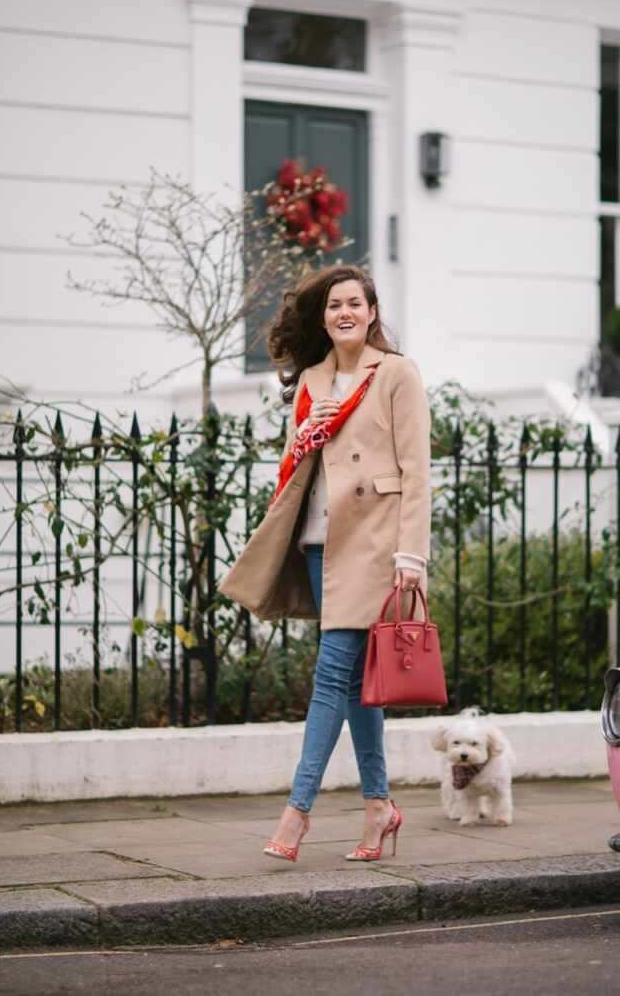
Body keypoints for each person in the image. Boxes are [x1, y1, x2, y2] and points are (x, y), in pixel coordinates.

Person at [221, 265, 431, 862]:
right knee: (359, 690)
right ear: (324, 317)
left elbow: (416, 470)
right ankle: (379, 809)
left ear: (371, 312)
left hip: (374, 545)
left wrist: (410, 555)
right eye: (334, 305)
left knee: (331, 674)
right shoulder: (311, 380)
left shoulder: (396, 374)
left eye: (354, 304)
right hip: (319, 544)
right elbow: (298, 471)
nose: (344, 313)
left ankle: (298, 811)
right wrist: (304, 434)